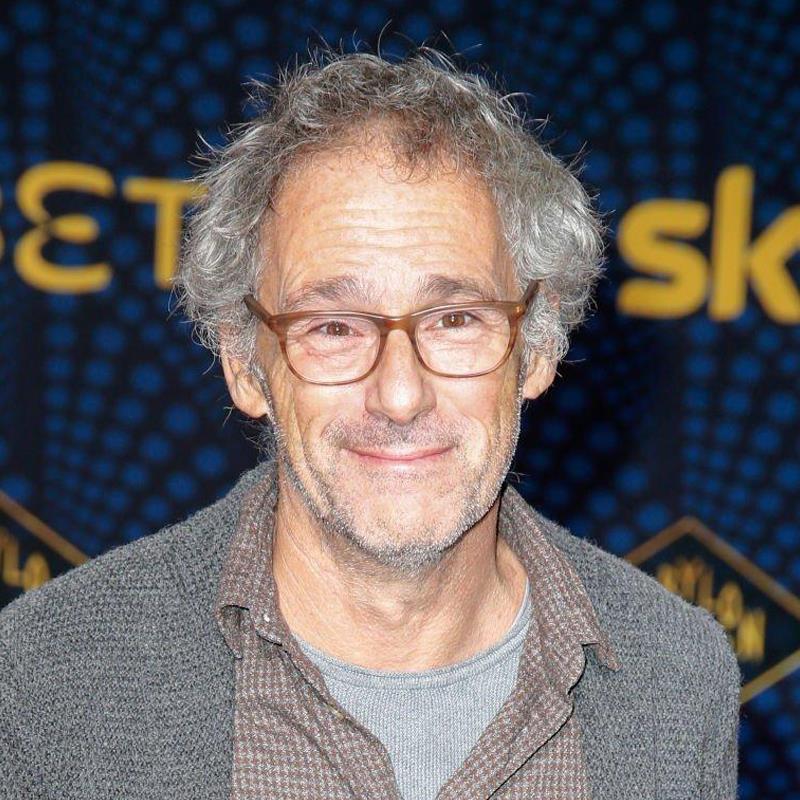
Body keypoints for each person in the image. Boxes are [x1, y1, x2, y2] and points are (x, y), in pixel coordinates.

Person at [0, 46, 741, 800]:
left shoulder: (676, 679)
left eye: (455, 318)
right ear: (244, 363)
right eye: (333, 327)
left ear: (539, 346)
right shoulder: (53, 678)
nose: (400, 395)